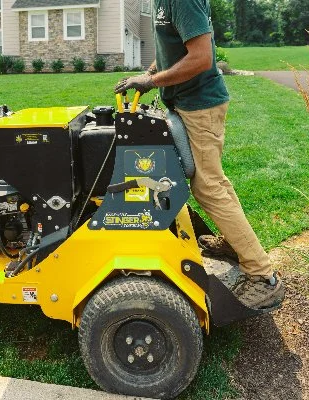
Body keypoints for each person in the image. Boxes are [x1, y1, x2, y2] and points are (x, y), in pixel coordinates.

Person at [114, 0, 284, 310]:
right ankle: (234, 245)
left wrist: (152, 81)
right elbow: (172, 51)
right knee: (215, 181)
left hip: (201, 106)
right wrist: (148, 73)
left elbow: (202, 58)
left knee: (208, 187)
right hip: (186, 103)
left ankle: (261, 275)